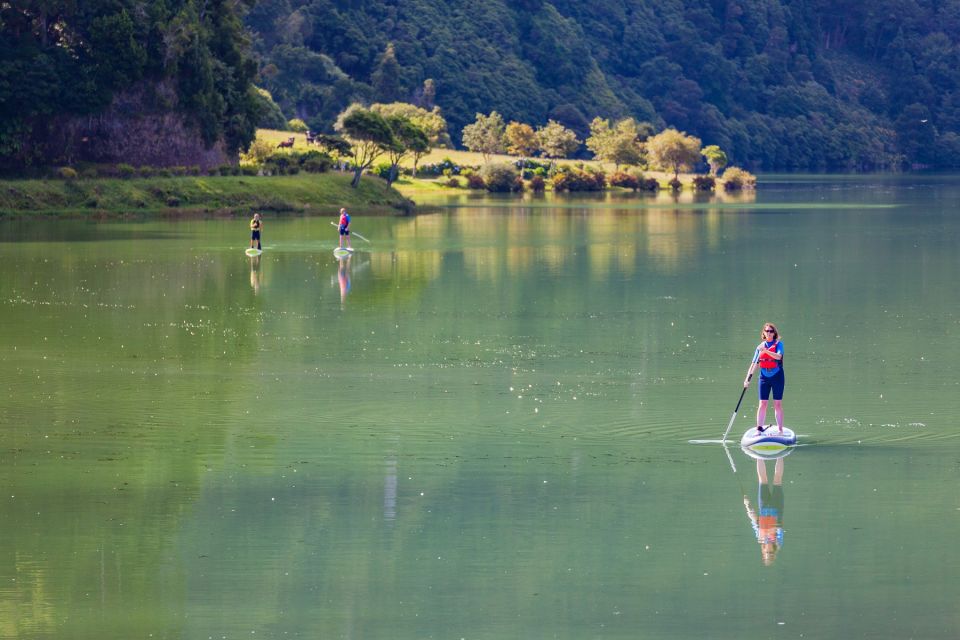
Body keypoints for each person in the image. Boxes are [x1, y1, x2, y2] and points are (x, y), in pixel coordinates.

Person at [743, 457, 785, 566]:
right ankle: (781, 454)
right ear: (774, 552)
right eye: (771, 553)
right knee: (777, 480)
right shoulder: (778, 542)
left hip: (764, 506)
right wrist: (771, 535)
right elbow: (779, 528)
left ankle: (758, 455)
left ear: (764, 551)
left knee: (762, 480)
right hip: (777, 506)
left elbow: (754, 520)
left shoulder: (760, 538)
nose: (769, 551)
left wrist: (747, 505)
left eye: (767, 552)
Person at [743, 322, 784, 434]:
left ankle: (780, 430)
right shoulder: (759, 347)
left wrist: (765, 351)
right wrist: (747, 379)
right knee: (763, 403)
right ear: (764, 333)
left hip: (777, 377)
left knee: (777, 404)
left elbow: (778, 356)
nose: (769, 333)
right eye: (767, 331)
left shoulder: (779, 344)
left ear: (774, 333)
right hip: (764, 377)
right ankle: (759, 428)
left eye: (771, 331)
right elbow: (754, 364)